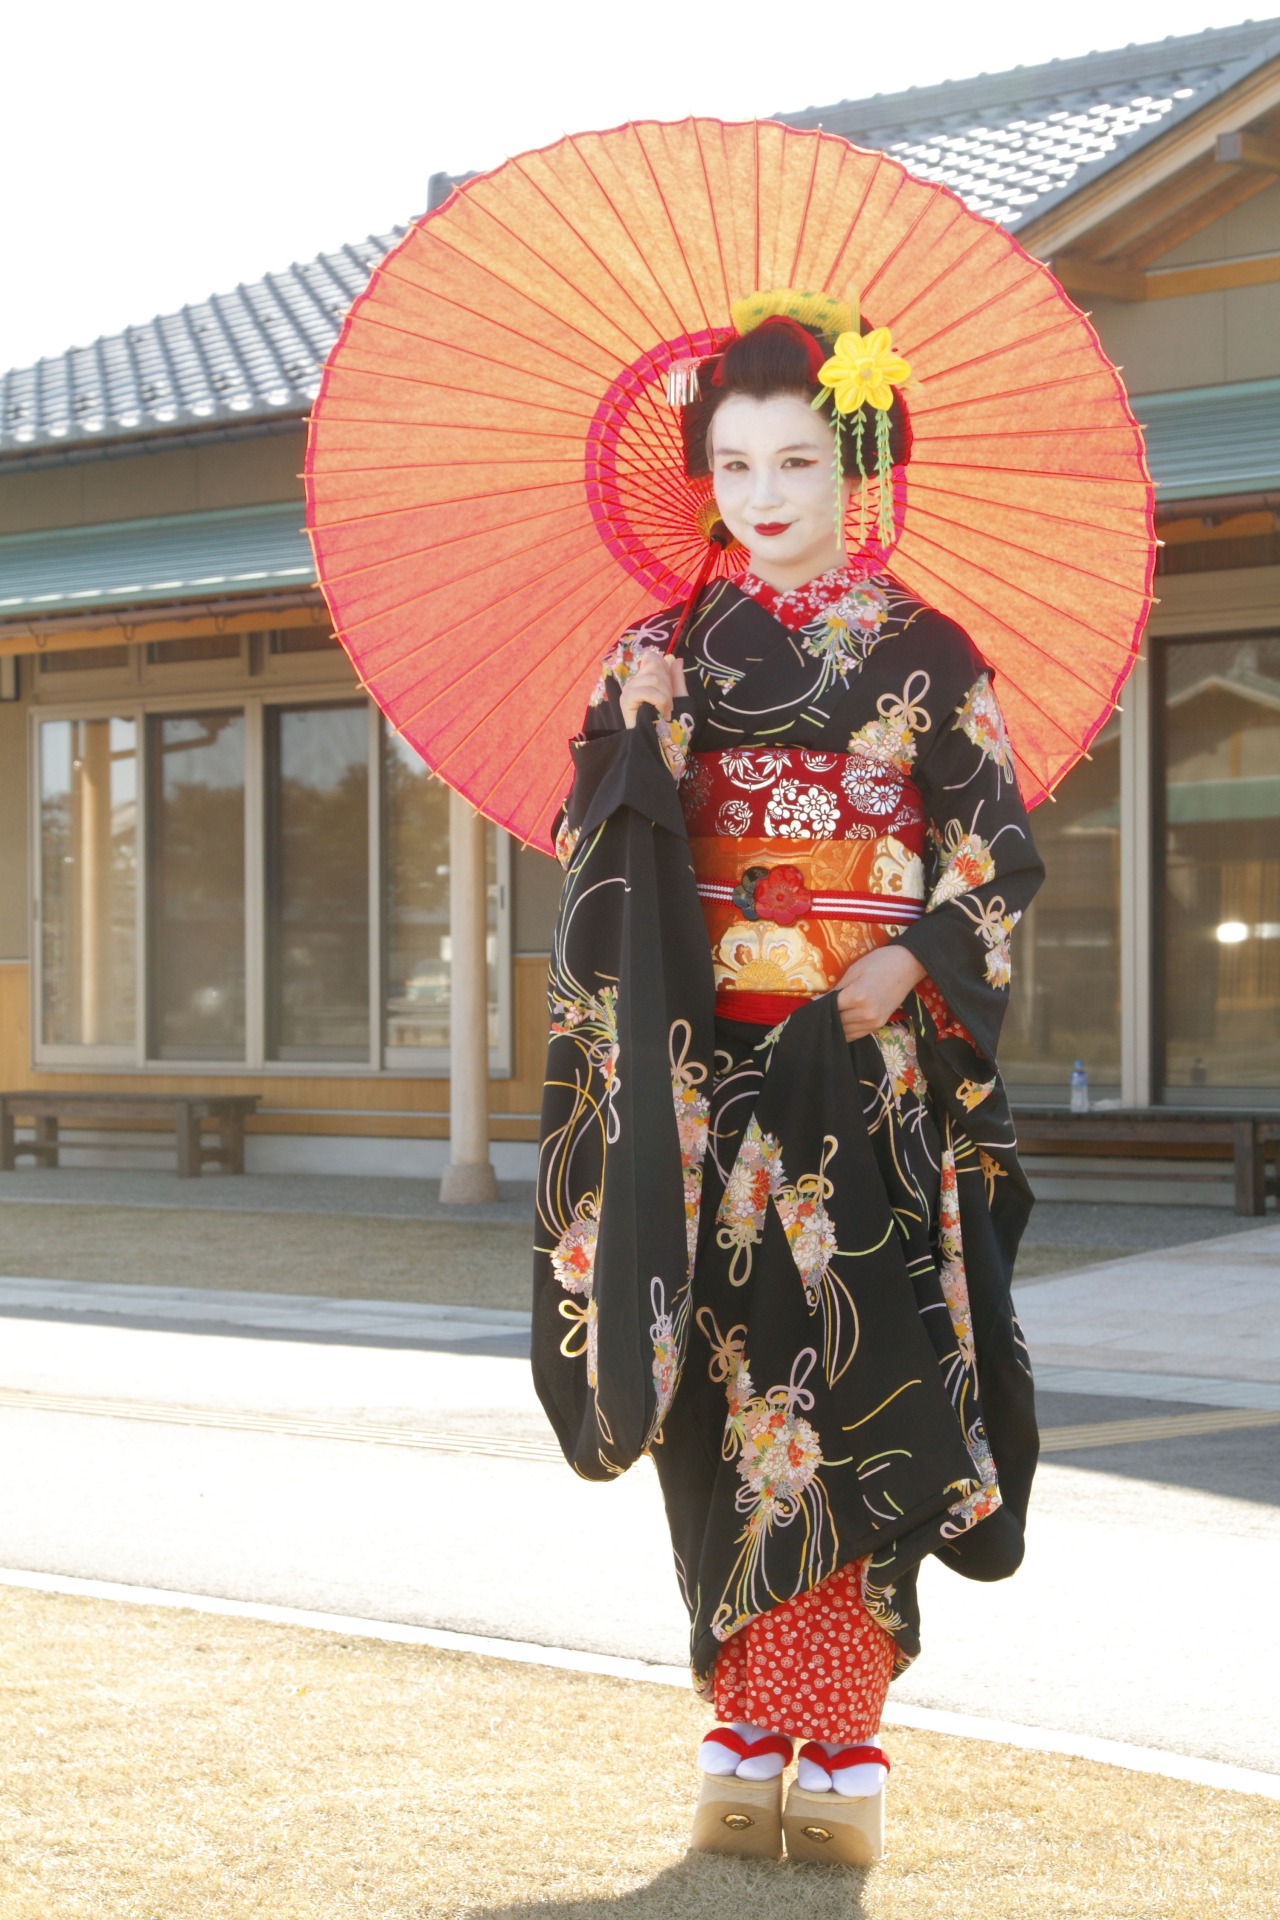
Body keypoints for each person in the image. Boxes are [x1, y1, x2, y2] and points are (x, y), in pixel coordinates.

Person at [533, 290, 1044, 1868]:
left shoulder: (925, 654)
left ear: (855, 469)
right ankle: (741, 1727)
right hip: (706, 1079)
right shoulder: (660, 648)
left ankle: (844, 1744)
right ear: (709, 478)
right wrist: (640, 755)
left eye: (798, 464)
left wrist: (913, 961)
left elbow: (999, 858)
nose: (764, 497)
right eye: (738, 465)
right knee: (710, 1385)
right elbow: (597, 858)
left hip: (865, 1075)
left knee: (846, 1375)